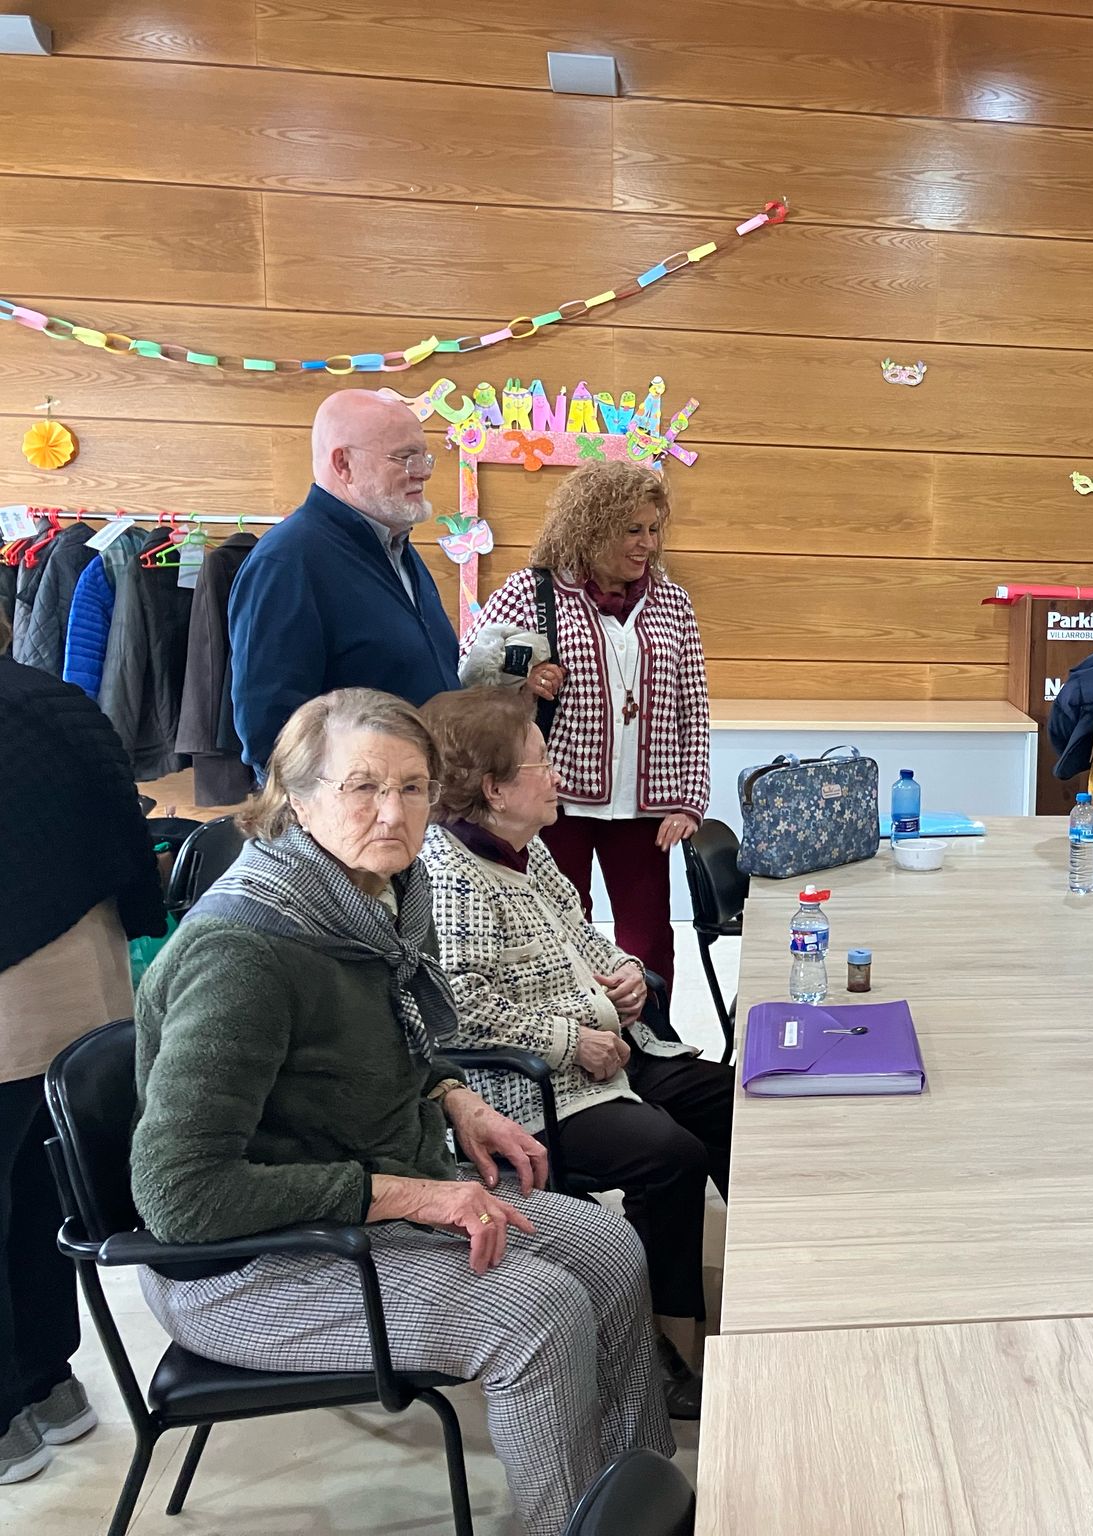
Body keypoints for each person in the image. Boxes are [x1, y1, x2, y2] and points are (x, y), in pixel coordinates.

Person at [129, 689, 672, 1534]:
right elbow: (180, 1195)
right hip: (243, 1265)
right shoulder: (245, 952)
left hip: (358, 1191)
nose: (394, 812)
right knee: (536, 1312)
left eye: (413, 787)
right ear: (297, 797)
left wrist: (450, 1094)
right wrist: (417, 1195)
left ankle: (632, 1503)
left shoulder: (376, 895)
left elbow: (367, 1048)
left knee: (607, 1247)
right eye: (363, 787)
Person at [417, 686, 733, 1418]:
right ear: (495, 788)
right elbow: (458, 1008)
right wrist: (569, 1041)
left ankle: (764, 1282)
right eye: (541, 762)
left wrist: (626, 972)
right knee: (670, 1156)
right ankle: (660, 1345)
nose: (558, 774)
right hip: (528, 1088)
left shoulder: (528, 851)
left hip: (604, 1048)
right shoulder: (452, 875)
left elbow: (584, 936)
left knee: (725, 1101)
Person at [0, 610, 166, 1484]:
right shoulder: (56, 700)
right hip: (91, 990)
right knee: (38, 1187)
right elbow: (129, 845)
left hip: (13, 992)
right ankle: (50, 1384)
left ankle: (4, 1418)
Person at [462, 463, 709, 984]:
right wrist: (525, 677)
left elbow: (693, 706)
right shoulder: (531, 592)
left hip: (646, 805)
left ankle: (651, 1029)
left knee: (649, 941)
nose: (647, 544)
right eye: (632, 529)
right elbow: (470, 670)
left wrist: (691, 800)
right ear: (592, 527)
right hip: (557, 799)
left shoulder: (672, 601)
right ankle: (582, 1026)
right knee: (562, 933)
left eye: (653, 529)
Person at [229, 390, 460, 771]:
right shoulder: (288, 561)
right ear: (344, 464)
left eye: (424, 456)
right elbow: (269, 734)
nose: (423, 471)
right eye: (405, 457)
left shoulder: (396, 548)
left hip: (417, 794)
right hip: (358, 803)